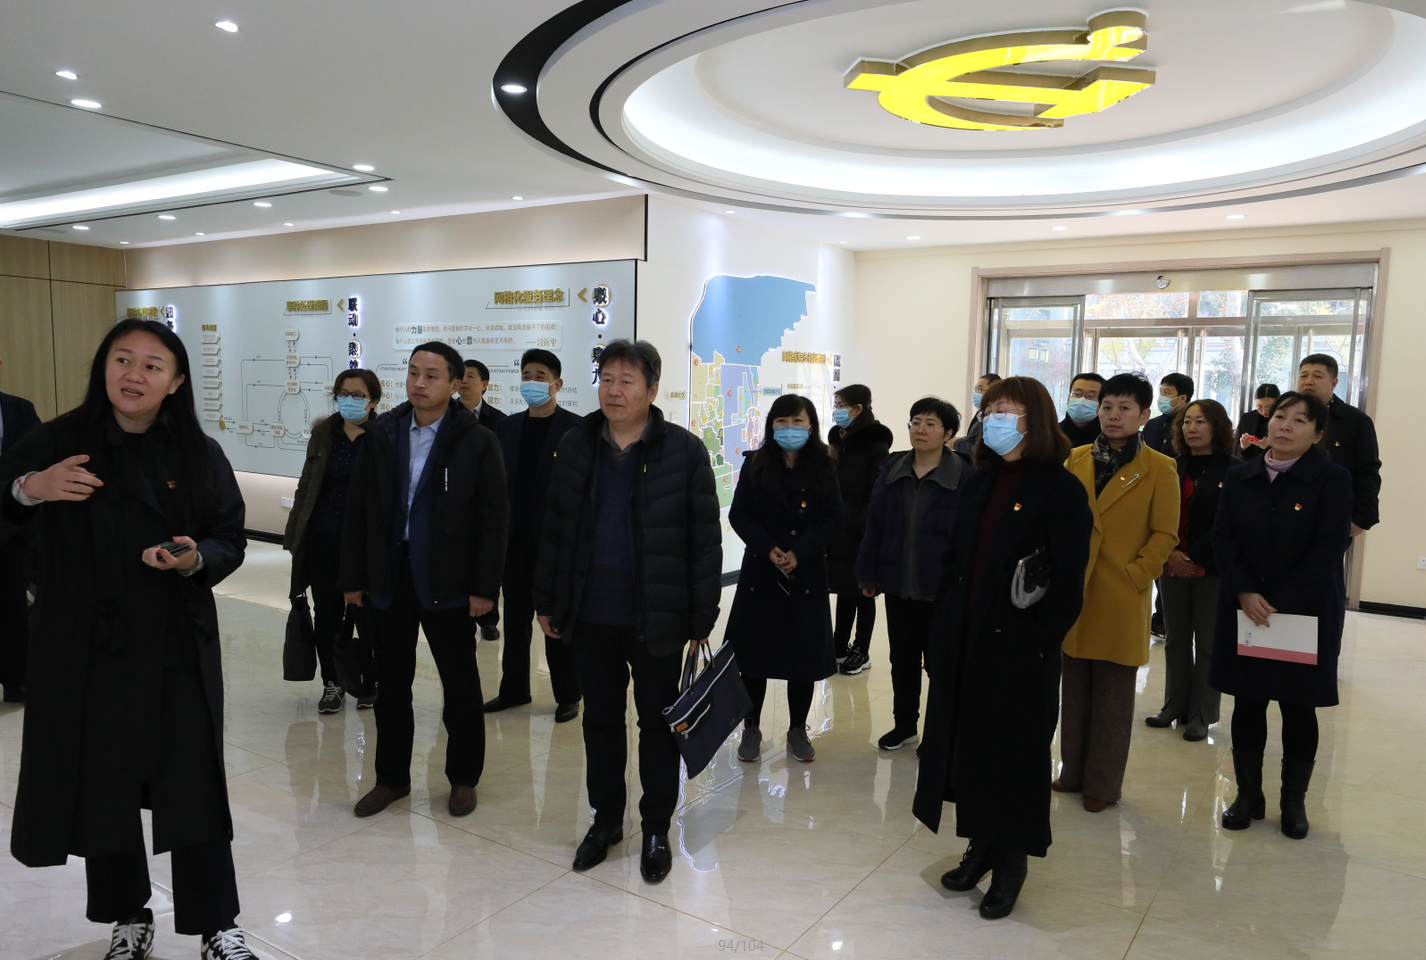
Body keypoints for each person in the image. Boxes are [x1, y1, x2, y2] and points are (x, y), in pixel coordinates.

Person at [0, 320, 256, 958]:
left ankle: (217, 924)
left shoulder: (197, 451)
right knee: (103, 786)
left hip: (175, 640)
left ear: (176, 382)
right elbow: (3, 502)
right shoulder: (58, 440)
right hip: (86, 645)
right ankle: (127, 918)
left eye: (151, 365)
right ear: (103, 366)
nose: (134, 375)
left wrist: (195, 558)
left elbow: (229, 536)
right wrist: (29, 490)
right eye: (122, 359)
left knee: (192, 784)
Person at [533, 339, 720, 884]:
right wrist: (547, 600)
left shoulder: (683, 451)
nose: (614, 391)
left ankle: (656, 827)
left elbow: (704, 542)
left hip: (656, 616)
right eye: (607, 379)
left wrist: (701, 616)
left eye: (627, 381)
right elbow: (553, 528)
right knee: (600, 722)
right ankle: (606, 820)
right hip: (590, 614)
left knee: (658, 726)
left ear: (652, 390)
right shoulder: (576, 443)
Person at [913, 376, 1092, 921]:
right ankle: (981, 846)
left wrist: (1037, 644)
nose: (993, 420)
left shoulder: (1061, 490)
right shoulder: (978, 480)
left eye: (1006, 411)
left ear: (1034, 420)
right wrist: (944, 625)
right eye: (989, 410)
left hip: (1018, 647)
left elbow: (1068, 584)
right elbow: (954, 560)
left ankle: (1012, 859)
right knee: (969, 748)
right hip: (965, 637)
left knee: (1012, 755)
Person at [340, 342, 509, 820]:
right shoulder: (383, 434)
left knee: (460, 686)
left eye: (432, 376)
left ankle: (463, 778)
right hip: (391, 577)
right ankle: (391, 778)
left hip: (449, 581)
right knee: (391, 685)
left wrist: (485, 589)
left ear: (455, 384)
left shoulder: (477, 441)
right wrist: (353, 577)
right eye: (413, 372)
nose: (419, 383)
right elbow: (359, 509)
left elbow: (494, 521)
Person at [1211, 391, 1352, 840]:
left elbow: (1330, 547)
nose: (1286, 426)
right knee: (1248, 700)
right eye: (1280, 416)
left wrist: (1280, 601)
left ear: (1318, 434)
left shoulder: (1333, 480)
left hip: (1304, 611)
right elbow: (1223, 537)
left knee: (1298, 705)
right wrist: (1244, 591)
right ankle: (1248, 795)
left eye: (1300, 420)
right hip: (1245, 607)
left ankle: (1294, 803)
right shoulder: (1241, 475)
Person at [1057, 373, 1179, 811]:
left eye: (1125, 408)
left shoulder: (1160, 467)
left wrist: (1137, 574)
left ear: (1144, 415)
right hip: (1075, 588)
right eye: (1107, 406)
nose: (1113, 415)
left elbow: (1165, 534)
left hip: (1121, 592)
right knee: (1074, 690)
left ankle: (1103, 785)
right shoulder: (1075, 459)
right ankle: (1072, 771)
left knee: (1112, 696)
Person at [727, 394, 843, 764]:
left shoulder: (825, 465)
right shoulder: (756, 463)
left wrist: (800, 550)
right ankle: (751, 727)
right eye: (782, 421)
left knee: (803, 656)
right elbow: (739, 514)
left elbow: (835, 518)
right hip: (761, 571)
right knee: (753, 657)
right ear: (771, 425)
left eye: (797, 422)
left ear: (810, 426)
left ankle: (797, 728)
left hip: (805, 571)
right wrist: (768, 548)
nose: (789, 428)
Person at [857, 397, 973, 751]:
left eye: (931, 424)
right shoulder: (892, 469)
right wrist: (868, 574)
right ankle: (905, 725)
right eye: (916, 422)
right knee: (902, 661)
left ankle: (939, 734)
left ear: (948, 434)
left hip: (941, 589)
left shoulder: (965, 477)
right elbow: (875, 526)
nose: (921, 430)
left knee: (940, 665)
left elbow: (969, 539)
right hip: (898, 584)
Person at [484, 349, 582, 722]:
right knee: (514, 619)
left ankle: (568, 694)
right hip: (514, 540)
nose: (531, 382)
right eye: (526, 375)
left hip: (554, 543)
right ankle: (514, 689)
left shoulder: (575, 429)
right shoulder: (507, 427)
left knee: (554, 620)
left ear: (557, 384)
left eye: (540, 376)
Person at [283, 369, 381, 714]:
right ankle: (333, 683)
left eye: (357, 395)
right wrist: (294, 535)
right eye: (343, 393)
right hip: (323, 537)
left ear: (373, 400)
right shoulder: (325, 434)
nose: (348, 400)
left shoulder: (384, 435)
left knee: (367, 615)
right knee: (327, 614)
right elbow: (307, 485)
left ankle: (368, 681)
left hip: (367, 543)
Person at [1144, 399, 1233, 741]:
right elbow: (1156, 513)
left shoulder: (1234, 470)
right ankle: (1174, 705)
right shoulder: (1170, 466)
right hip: (1170, 566)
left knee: (1208, 643)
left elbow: (1229, 522)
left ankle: (1201, 713)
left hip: (1212, 568)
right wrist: (1170, 554)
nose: (1192, 428)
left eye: (1201, 421)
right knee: (1176, 639)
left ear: (1217, 427)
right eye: (1187, 422)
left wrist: (1191, 555)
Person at [826, 384, 891, 675]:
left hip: (862, 530)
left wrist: (858, 522)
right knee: (844, 589)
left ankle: (861, 649)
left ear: (858, 409)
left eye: (841, 405)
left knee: (864, 591)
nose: (837, 410)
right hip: (840, 527)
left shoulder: (875, 444)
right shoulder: (840, 440)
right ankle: (839, 645)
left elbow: (878, 491)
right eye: (836, 405)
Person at [1295, 354, 1380, 537]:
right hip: (1288, 509)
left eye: (1317, 376)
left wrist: (1362, 518)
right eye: (1303, 375)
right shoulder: (1286, 416)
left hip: (1333, 511)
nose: (1308, 381)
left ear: (1333, 383)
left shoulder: (1356, 421)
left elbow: (1368, 471)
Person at [0, 369, 41, 703]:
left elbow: (38, 458)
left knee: (12, 604)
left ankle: (17, 680)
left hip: (11, 525)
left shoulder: (20, 409)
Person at [459, 358, 505, 642]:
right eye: (461, 376)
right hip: (456, 502)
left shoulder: (499, 421)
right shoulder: (444, 416)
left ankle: (489, 620)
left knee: (488, 560)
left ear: (484, 384)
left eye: (470, 376)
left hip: (486, 500)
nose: (464, 381)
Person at [1142, 372, 1193, 457]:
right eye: (1161, 392)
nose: (1161, 397)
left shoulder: (1189, 426)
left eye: (1166, 393)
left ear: (1182, 398)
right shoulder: (1151, 424)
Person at [952, 372, 1000, 456]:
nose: (976, 394)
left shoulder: (994, 419)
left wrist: (956, 443)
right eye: (976, 389)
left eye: (980, 390)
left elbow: (981, 451)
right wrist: (964, 440)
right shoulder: (981, 414)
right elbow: (974, 439)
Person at [1059, 372, 1105, 448]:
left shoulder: (1107, 439)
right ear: (1068, 399)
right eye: (1077, 394)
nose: (1082, 400)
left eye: (1090, 396)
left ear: (1101, 403)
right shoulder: (1052, 434)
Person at [1235, 383, 1280, 461]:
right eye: (1259, 407)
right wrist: (1243, 447)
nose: (1264, 411)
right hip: (1249, 464)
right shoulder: (1247, 418)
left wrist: (1270, 447)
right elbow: (1234, 450)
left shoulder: (1284, 420)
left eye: (1268, 407)